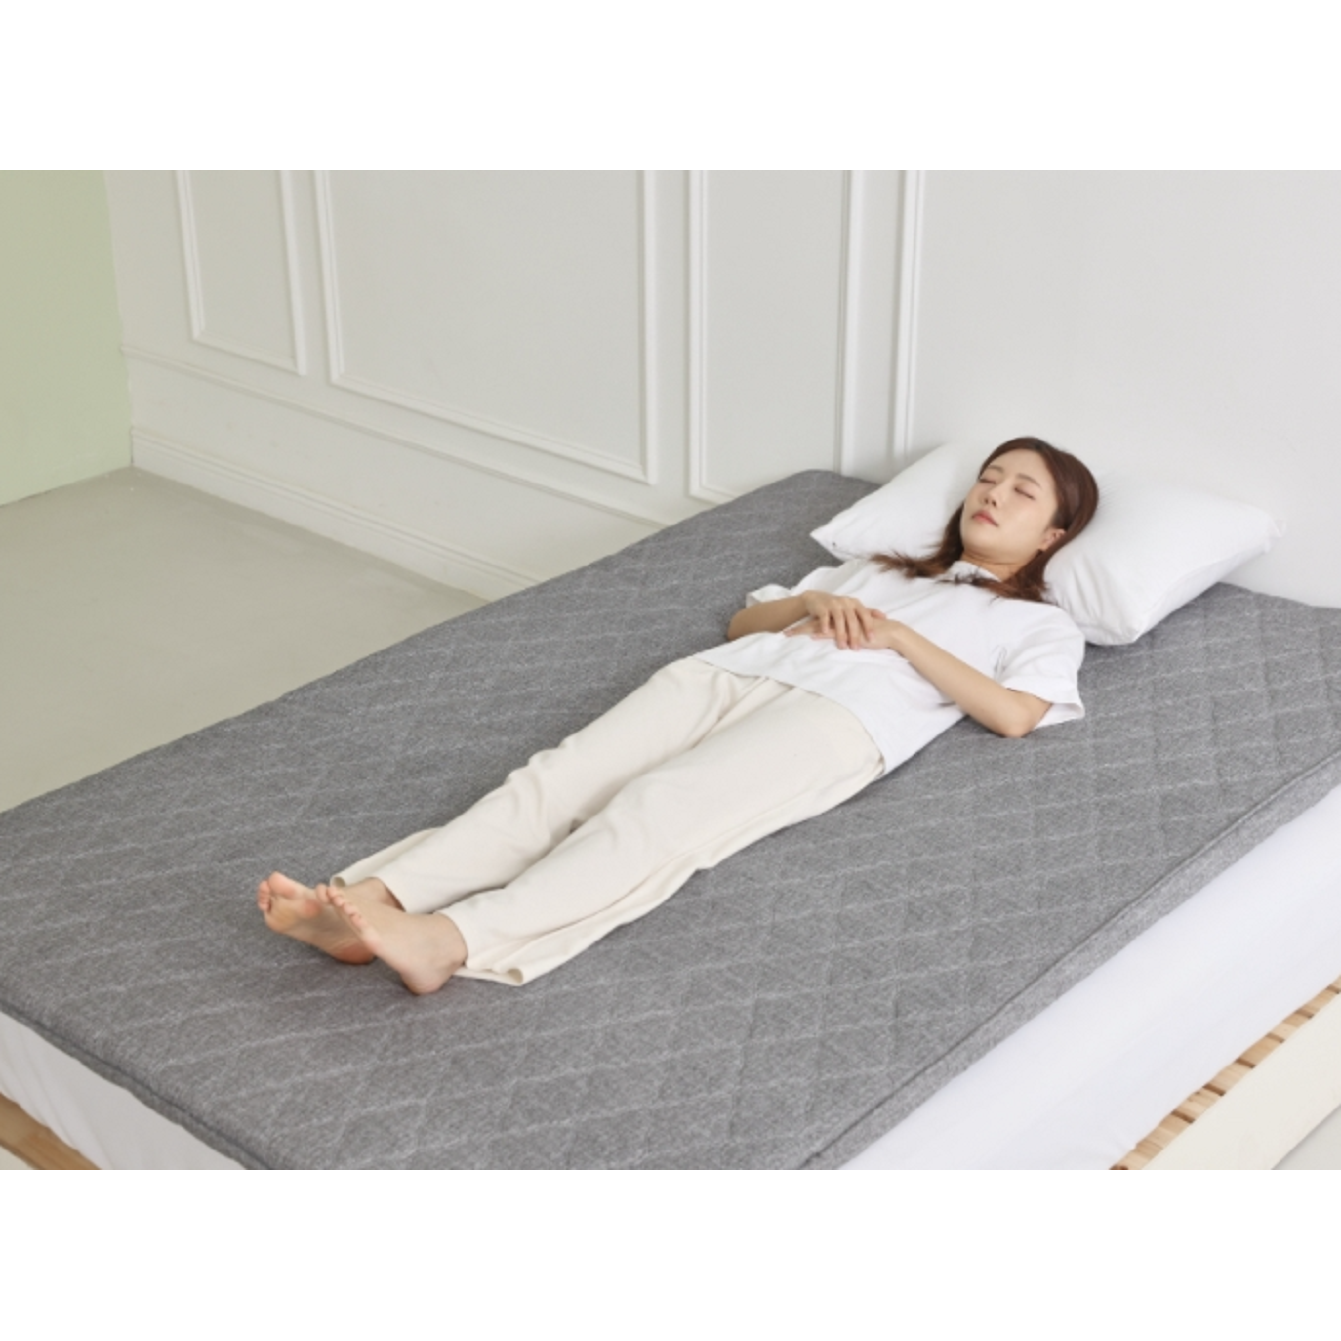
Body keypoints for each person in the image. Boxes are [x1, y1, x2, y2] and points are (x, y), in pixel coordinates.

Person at [258, 437, 1100, 994]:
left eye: (1020, 490)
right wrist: (812, 600)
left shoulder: (1040, 623)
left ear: (1051, 535)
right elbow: (743, 622)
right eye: (988, 477)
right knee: (553, 781)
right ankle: (370, 900)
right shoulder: (877, 569)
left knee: (654, 813)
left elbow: (1013, 715)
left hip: (841, 716)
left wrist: (901, 639)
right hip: (727, 671)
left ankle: (448, 939)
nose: (992, 493)